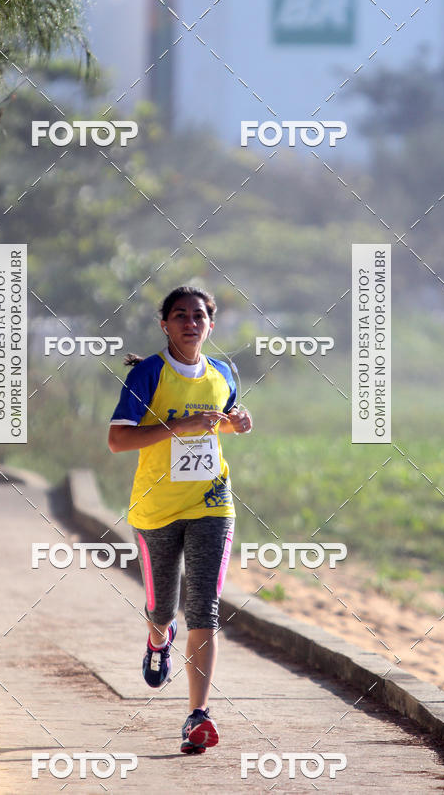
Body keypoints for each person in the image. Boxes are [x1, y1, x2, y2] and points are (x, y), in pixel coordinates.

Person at [108, 285, 252, 755]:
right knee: (162, 610)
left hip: (212, 503)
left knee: (205, 608)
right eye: (180, 315)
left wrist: (235, 423)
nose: (191, 323)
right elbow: (117, 440)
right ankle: (157, 641)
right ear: (164, 324)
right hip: (155, 509)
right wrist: (178, 427)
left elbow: (222, 420)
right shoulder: (150, 373)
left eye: (199, 316)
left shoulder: (224, 373)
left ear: (211, 324)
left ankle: (197, 716)